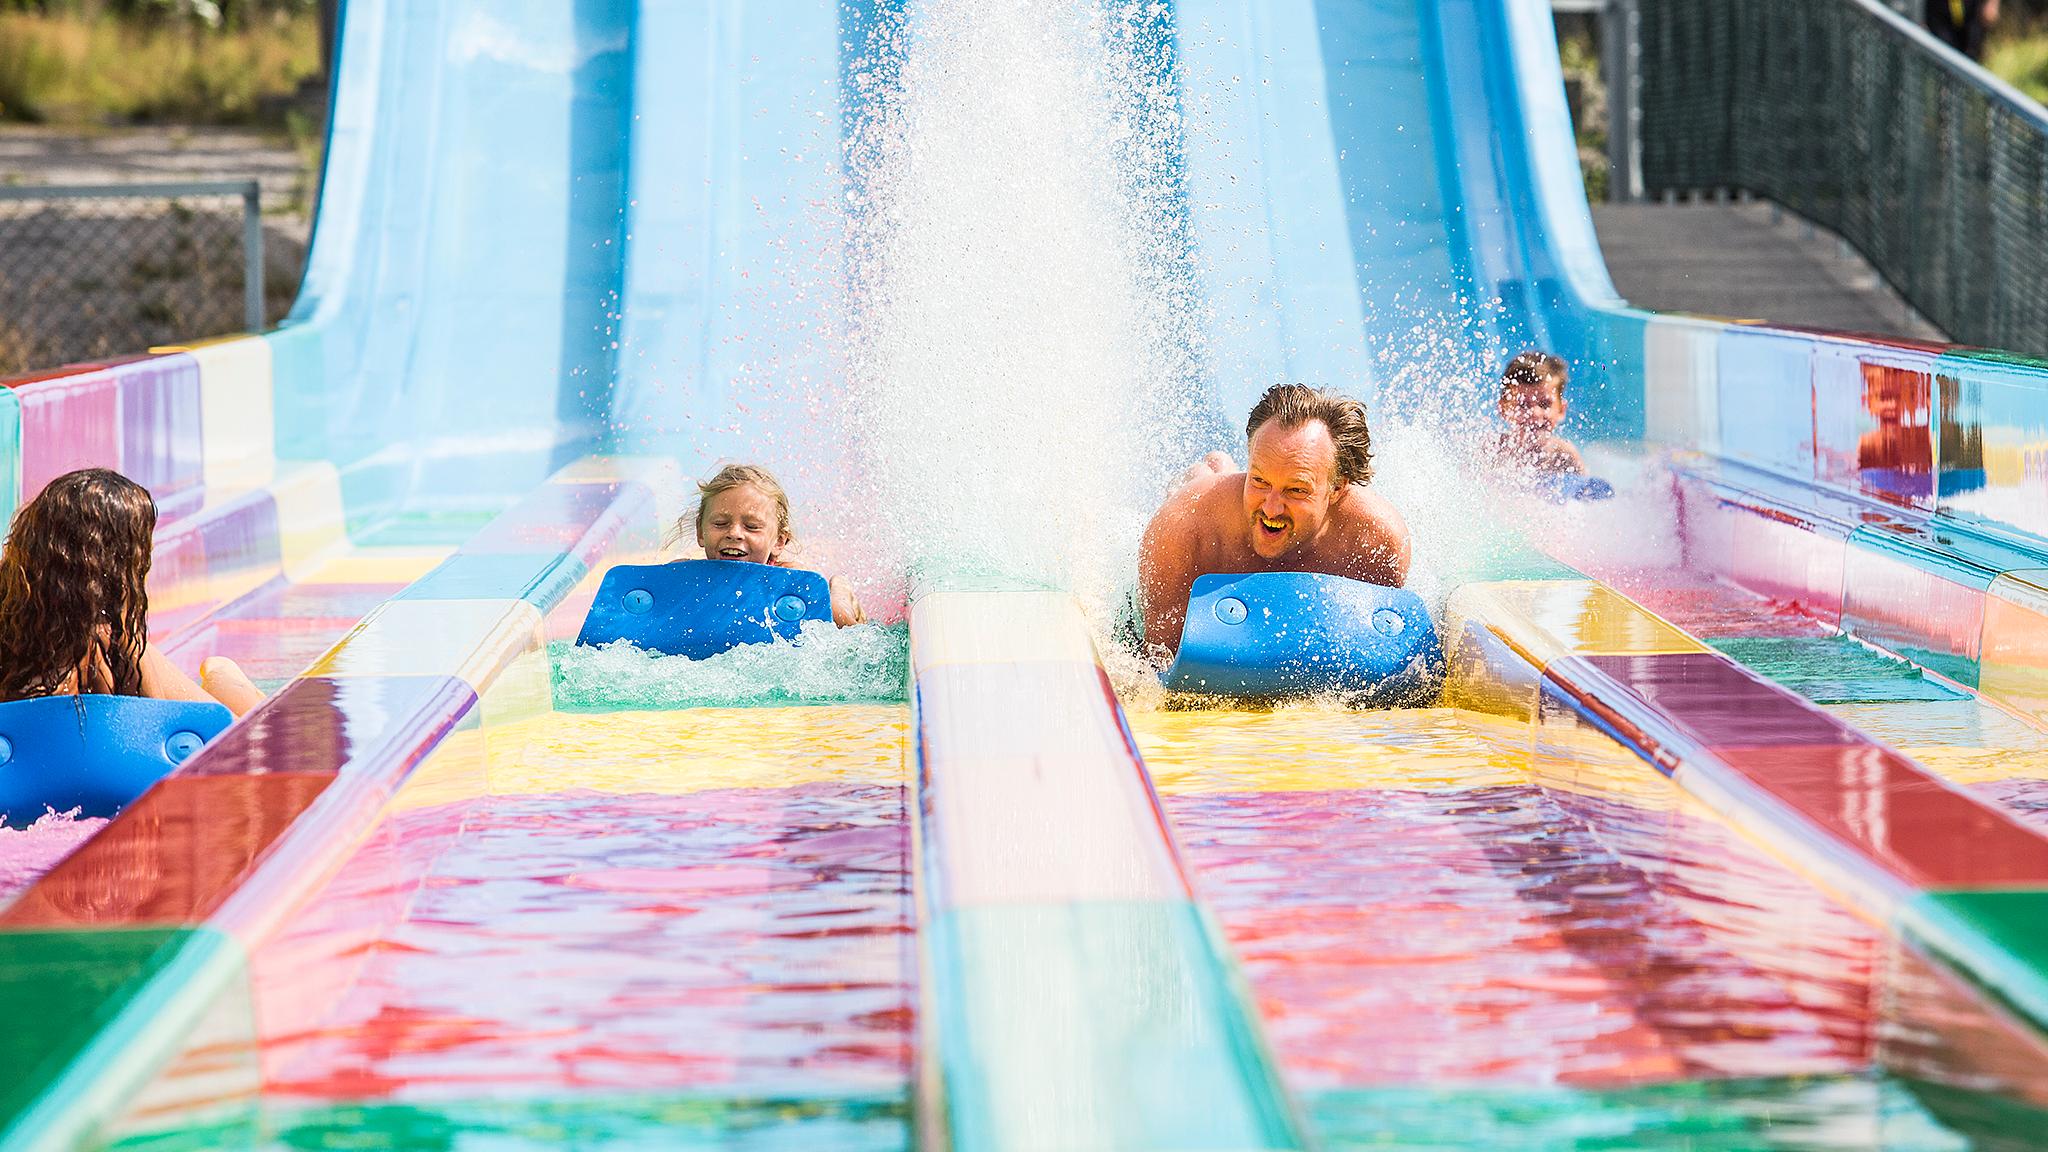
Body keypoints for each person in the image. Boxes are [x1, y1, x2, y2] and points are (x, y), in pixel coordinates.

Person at [1137, 383, 1411, 659]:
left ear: (1337, 488)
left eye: (1296, 490)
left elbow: (1379, 657)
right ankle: (1212, 471)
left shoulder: (1374, 540)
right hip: (1207, 504)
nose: (1271, 508)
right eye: (1259, 480)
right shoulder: (1187, 523)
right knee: (1201, 482)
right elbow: (1158, 665)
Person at [0, 468, 262, 716]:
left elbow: (158, 720)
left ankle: (223, 673)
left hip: (207, 704)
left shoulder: (107, 632)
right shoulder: (12, 604)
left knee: (242, 719)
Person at [672, 463, 866, 627]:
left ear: (779, 541)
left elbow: (847, 636)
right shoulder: (685, 574)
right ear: (700, 532)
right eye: (720, 524)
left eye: (752, 526)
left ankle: (840, 586)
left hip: (829, 593)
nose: (734, 534)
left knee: (837, 610)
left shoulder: (791, 579)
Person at [1491, 350, 1586, 477]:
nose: (1535, 413)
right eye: (1523, 404)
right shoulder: (1493, 451)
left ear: (1561, 410)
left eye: (1545, 404)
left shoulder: (1565, 456)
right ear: (1504, 410)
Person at [1925, 0, 1998, 62]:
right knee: (1944, 52)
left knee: (1971, 55)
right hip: (1940, 11)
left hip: (1971, 11)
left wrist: (1992, 3)